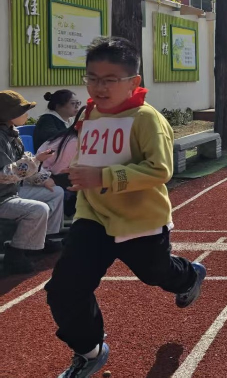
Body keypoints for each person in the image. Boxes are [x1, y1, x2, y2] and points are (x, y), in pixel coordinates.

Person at [45, 37, 205, 378]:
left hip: (140, 220)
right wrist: (78, 176)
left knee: (155, 273)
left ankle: (188, 275)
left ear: (134, 81)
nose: (99, 87)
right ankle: (89, 351)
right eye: (92, 78)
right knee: (64, 288)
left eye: (110, 80)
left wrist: (103, 176)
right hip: (93, 217)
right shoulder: (90, 113)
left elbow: (160, 170)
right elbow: (88, 156)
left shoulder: (147, 119)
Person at [0, 91, 63, 274]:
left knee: (56, 192)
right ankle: (15, 254)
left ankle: (44, 239)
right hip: (2, 198)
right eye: (23, 111)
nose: (27, 115)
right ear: (9, 114)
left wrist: (42, 178)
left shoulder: (12, 135)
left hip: (10, 193)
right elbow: (4, 174)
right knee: (38, 209)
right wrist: (35, 161)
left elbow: (24, 166)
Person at [36, 107, 85, 218]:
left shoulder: (72, 136)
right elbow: (58, 172)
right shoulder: (74, 142)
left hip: (51, 176)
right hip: (48, 179)